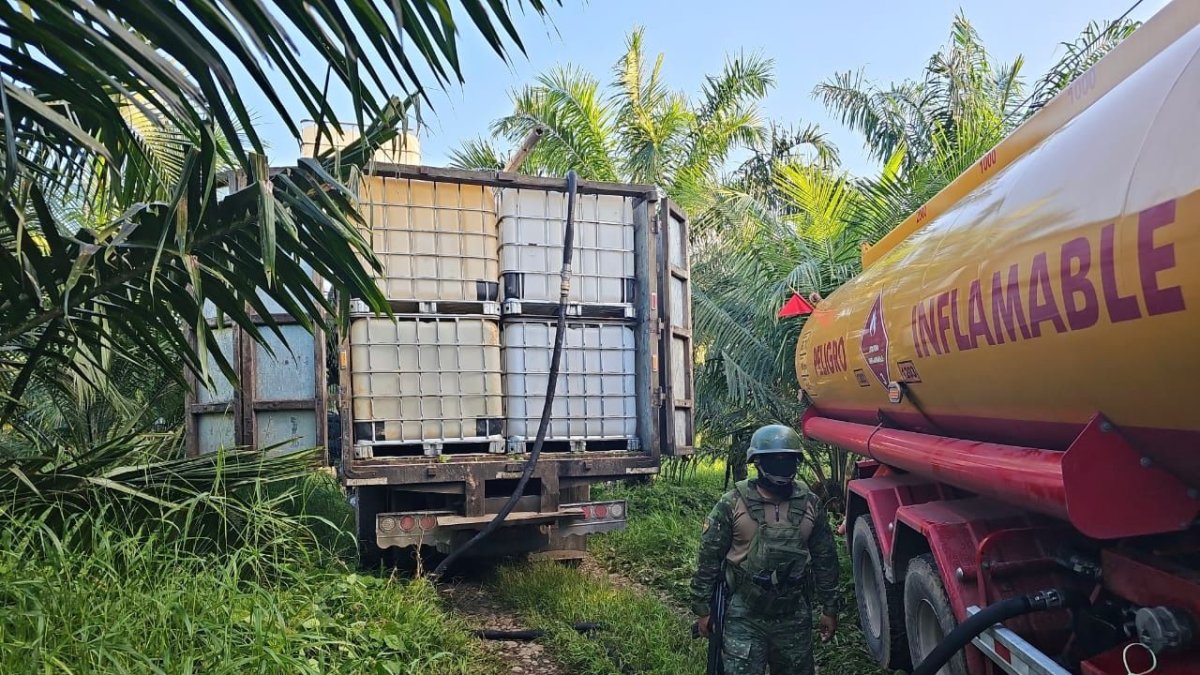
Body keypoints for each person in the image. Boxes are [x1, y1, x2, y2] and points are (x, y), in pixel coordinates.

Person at [689, 424, 841, 675]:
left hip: (793, 613)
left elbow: (825, 560)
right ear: (757, 462)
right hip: (744, 614)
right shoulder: (732, 503)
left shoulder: (810, 504)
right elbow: (709, 559)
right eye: (774, 459)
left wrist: (830, 608)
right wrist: (703, 609)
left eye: (787, 459)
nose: (781, 465)